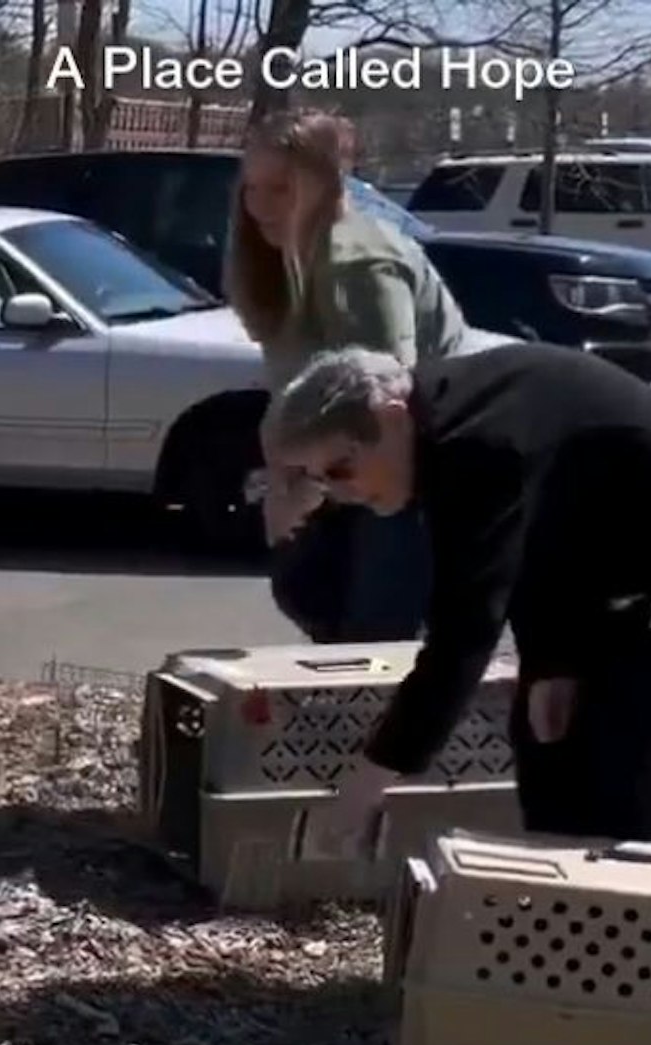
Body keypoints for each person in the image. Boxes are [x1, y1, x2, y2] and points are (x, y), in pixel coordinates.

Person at [261, 341, 651, 847]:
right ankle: (562, 883)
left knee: (648, 754)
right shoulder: (441, 427)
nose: (341, 492)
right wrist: (552, 662)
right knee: (547, 743)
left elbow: (463, 634)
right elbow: (539, 538)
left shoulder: (474, 444)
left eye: (342, 468)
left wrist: (373, 776)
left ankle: (645, 884)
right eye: (320, 479)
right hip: (608, 553)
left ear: (391, 416)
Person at [224, 106, 472, 643]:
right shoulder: (281, 257)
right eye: (251, 189)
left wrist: (305, 485)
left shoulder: (359, 266)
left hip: (406, 476)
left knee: (374, 634)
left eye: (281, 188)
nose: (260, 207)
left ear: (327, 184)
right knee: (307, 594)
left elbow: (384, 408)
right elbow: (295, 389)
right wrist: (282, 479)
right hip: (340, 467)